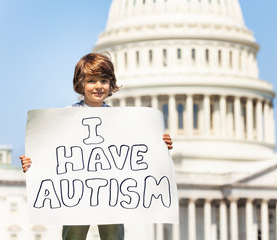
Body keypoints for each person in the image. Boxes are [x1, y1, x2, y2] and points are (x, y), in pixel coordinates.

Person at [20, 52, 173, 240]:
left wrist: (159, 145)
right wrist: (32, 163)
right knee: (73, 234)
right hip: (76, 189)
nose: (98, 86)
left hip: (111, 189)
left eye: (104, 81)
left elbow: (135, 154)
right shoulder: (65, 116)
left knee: (113, 234)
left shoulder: (122, 119)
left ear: (111, 85)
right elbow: (52, 153)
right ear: (80, 84)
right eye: (91, 81)